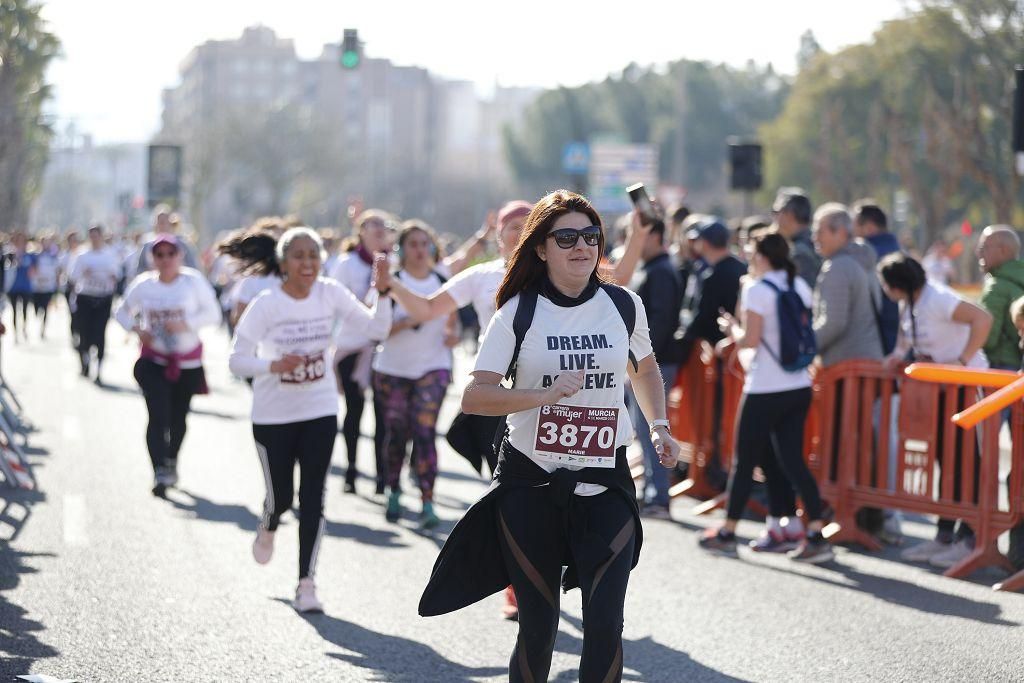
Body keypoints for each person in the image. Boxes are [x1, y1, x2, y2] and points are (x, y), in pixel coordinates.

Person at [419, 190, 681, 683]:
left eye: (590, 236)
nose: (581, 246)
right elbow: (476, 397)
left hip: (605, 479)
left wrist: (659, 425)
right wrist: (540, 396)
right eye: (566, 238)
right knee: (539, 628)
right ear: (541, 248)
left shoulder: (624, 305)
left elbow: (644, 369)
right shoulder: (517, 312)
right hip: (531, 483)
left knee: (606, 625)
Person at [229, 227, 392, 613]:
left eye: (313, 256)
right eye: (299, 256)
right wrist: (274, 365)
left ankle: (306, 582)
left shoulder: (330, 292)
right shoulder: (267, 304)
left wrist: (383, 291)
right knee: (282, 498)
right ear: (284, 264)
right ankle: (269, 523)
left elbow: (377, 328)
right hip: (273, 415)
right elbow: (236, 360)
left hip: (319, 408)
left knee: (314, 497)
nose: (307, 263)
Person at [700, 232, 833, 562]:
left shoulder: (757, 290)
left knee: (744, 460)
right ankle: (815, 532)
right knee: (792, 462)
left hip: (764, 387)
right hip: (798, 383)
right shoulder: (798, 285)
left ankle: (729, 531)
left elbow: (752, 340)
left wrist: (733, 330)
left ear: (761, 256)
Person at [878, 253, 992, 568]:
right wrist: (897, 355)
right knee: (947, 460)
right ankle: (945, 534)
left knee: (967, 462)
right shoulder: (911, 301)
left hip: (966, 386)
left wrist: (963, 361)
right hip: (941, 389)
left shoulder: (939, 298)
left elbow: (982, 319)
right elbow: (906, 336)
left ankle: (969, 537)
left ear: (897, 283)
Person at [115, 234, 221, 495]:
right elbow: (121, 312)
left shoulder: (193, 282)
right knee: (158, 415)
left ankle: (172, 460)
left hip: (187, 362)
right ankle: (160, 470)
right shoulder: (144, 285)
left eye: (170, 254)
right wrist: (137, 329)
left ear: (180, 256)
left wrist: (186, 324)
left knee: (178, 417)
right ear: (153, 258)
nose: (165, 260)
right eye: (159, 254)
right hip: (154, 360)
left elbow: (214, 315)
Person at [373, 221, 458, 529]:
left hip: (433, 367)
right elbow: (377, 329)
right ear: (402, 249)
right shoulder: (390, 281)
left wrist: (453, 334)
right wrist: (408, 321)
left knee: (424, 433)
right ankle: (394, 490)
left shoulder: (441, 278)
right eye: (413, 244)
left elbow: (453, 319)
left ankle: (427, 501)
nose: (420, 250)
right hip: (393, 370)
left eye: (425, 244)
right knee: (397, 433)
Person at [328, 209, 397, 494]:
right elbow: (333, 299)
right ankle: (352, 469)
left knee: (383, 414)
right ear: (361, 231)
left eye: (384, 224)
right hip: (352, 346)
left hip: (382, 348)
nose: (380, 228)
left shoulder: (393, 263)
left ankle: (382, 476)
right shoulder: (346, 264)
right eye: (373, 224)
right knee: (354, 410)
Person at [627, 217, 682, 518]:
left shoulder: (661, 271)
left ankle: (659, 497)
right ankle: (652, 492)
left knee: (654, 427)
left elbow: (659, 322)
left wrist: (640, 361)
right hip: (648, 362)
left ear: (655, 236)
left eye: (638, 235)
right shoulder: (653, 268)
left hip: (655, 363)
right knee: (644, 428)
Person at [811, 203, 884, 366]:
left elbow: (833, 324)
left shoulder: (838, 267)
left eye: (819, 232)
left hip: (845, 369)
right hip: (868, 365)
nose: (814, 238)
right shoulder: (863, 260)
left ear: (842, 233)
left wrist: (804, 347)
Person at [69, 225, 121, 384]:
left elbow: (118, 274)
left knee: (100, 333)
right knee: (83, 332)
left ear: (102, 236)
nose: (94, 239)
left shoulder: (110, 254)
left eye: (97, 236)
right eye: (92, 236)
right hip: (85, 297)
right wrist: (83, 273)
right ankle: (84, 363)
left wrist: (112, 277)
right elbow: (72, 276)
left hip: (103, 298)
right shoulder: (82, 254)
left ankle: (99, 370)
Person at [976, 225, 1024, 374]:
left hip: (1000, 367)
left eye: (984, 247)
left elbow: (987, 338)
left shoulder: (996, 287)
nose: (979, 253)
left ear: (1003, 251)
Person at [853, 202, 900, 354]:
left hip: (876, 345)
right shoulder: (902, 252)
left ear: (869, 227)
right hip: (903, 345)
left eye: (854, 226)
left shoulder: (865, 258)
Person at [772, 188, 820, 285]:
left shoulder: (799, 253)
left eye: (776, 212)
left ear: (789, 215)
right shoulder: (814, 241)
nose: (774, 218)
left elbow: (801, 294)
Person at [6, 233, 35, 344]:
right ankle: (15, 332)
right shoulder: (10, 255)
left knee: (24, 310)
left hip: (26, 287)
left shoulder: (30, 255)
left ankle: (24, 328)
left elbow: (33, 271)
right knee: (14, 310)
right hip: (13, 287)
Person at [31, 234, 60, 339]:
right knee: (37, 307)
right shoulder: (35, 256)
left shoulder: (53, 257)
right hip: (37, 287)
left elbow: (57, 271)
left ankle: (43, 329)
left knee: (45, 309)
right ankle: (37, 318)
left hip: (48, 287)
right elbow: (31, 270)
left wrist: (56, 284)